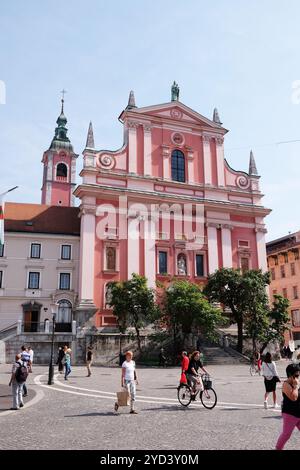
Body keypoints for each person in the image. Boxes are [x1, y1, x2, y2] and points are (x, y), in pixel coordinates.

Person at [275, 364, 300, 450]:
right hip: (290, 414)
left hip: (298, 412)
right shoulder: (286, 384)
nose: (298, 377)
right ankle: (278, 448)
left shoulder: (297, 381)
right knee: (286, 434)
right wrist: (296, 386)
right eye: (296, 375)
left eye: (298, 374)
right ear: (290, 375)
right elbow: (294, 397)